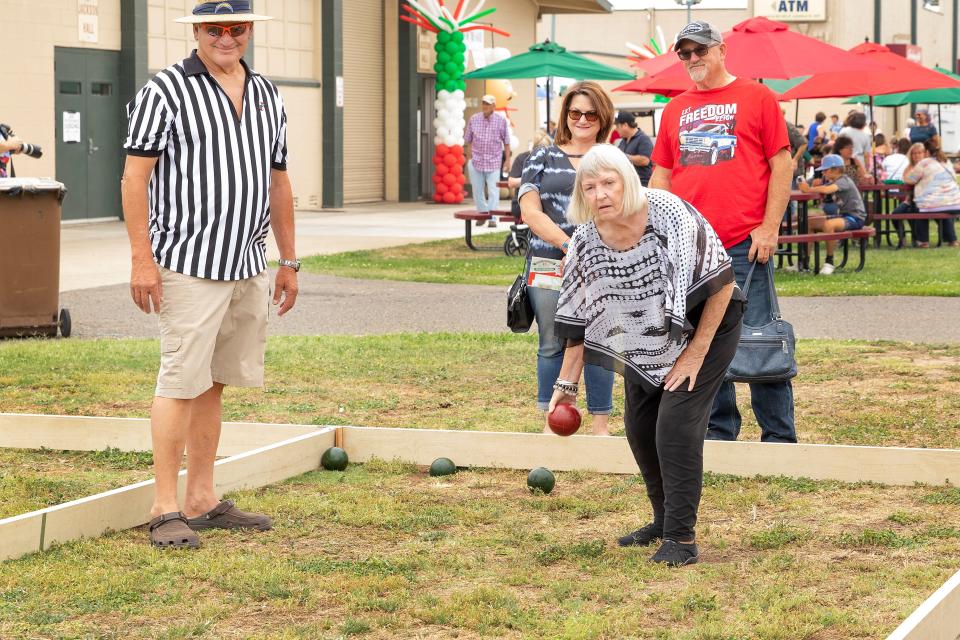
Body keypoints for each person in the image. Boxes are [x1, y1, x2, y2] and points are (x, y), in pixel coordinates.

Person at [121, 0, 298, 549]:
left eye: (236, 28)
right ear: (196, 31)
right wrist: (141, 259)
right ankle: (163, 507)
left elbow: (279, 181)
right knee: (179, 379)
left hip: (248, 262)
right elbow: (134, 179)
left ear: (249, 30)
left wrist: (287, 260)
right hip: (187, 265)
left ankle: (201, 498)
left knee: (216, 380)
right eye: (214, 28)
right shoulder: (164, 90)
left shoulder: (267, 93)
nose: (227, 37)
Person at [550, 144, 741, 566]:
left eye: (609, 182)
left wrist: (694, 355)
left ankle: (681, 538)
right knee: (639, 427)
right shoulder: (585, 241)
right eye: (590, 186)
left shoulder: (668, 213)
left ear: (627, 182)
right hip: (645, 336)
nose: (600, 193)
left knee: (674, 424)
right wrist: (566, 385)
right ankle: (662, 519)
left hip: (706, 324)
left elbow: (722, 283)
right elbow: (580, 317)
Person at [650, 20, 796, 444]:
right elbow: (662, 173)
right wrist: (659, 232)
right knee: (701, 339)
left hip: (743, 245)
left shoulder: (758, 96)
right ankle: (718, 430)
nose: (693, 59)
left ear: (721, 50)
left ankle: (779, 437)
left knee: (759, 338)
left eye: (700, 50)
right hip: (690, 248)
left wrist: (769, 227)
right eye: (685, 53)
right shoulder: (675, 108)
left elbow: (781, 164)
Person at [519, 80, 616, 437]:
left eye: (591, 113)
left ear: (602, 116)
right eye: (575, 112)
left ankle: (600, 425)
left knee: (600, 341)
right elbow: (530, 211)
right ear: (566, 115)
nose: (583, 119)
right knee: (551, 341)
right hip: (548, 263)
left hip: (602, 265)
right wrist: (568, 245)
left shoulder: (611, 159)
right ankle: (552, 420)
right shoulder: (541, 157)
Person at [797, 154, 867, 274]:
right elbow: (823, 188)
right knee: (810, 222)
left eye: (825, 170)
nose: (823, 173)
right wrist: (809, 186)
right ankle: (804, 262)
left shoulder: (844, 180)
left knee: (829, 225)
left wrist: (808, 189)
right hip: (844, 216)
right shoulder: (834, 181)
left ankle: (829, 262)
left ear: (835, 169)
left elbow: (826, 190)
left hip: (855, 217)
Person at [896, 140, 960, 248]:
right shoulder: (946, 161)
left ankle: (923, 241)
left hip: (933, 203)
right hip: (955, 203)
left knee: (920, 209)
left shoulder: (924, 163)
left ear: (926, 152)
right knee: (943, 207)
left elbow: (910, 180)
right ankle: (952, 240)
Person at [464, 94, 511, 227]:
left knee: (493, 190)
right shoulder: (474, 119)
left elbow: (506, 142)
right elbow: (468, 140)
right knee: (477, 191)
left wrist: (507, 160)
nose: (485, 106)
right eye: (483, 103)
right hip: (476, 161)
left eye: (488, 104)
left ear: (494, 106)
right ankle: (483, 213)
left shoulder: (501, 121)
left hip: (494, 161)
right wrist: (469, 158)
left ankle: (492, 217)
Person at [507, 130, 551, 218]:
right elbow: (511, 183)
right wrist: (532, 177)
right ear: (534, 149)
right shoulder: (522, 158)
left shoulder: (552, 159)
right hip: (522, 202)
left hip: (547, 200)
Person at [614, 111, 654, 186]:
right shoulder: (623, 141)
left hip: (642, 184)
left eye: (617, 126)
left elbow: (645, 160)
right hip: (629, 183)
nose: (616, 129)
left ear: (625, 125)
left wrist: (622, 156)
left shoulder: (643, 139)